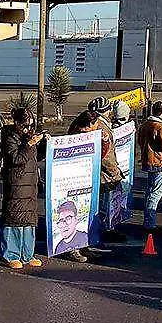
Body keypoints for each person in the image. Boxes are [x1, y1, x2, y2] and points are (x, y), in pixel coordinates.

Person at [0, 107, 45, 269]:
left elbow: (36, 156)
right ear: (17, 123)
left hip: (31, 182)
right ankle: (10, 254)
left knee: (29, 219)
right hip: (16, 182)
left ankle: (27, 254)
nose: (28, 129)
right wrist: (28, 144)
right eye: (25, 125)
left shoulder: (28, 137)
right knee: (15, 218)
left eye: (30, 125)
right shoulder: (9, 137)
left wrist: (43, 143)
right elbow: (15, 158)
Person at [56, 109, 103, 262]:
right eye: (95, 124)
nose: (97, 127)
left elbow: (99, 155)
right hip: (74, 180)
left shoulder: (91, 136)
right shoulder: (76, 137)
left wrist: (106, 141)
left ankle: (84, 245)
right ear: (89, 125)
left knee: (85, 214)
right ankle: (71, 249)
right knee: (72, 217)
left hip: (88, 177)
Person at [89, 96, 127, 244]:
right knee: (104, 205)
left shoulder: (94, 123)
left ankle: (102, 231)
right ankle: (103, 232)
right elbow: (107, 155)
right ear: (107, 110)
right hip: (104, 174)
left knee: (101, 204)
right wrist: (115, 172)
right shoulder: (101, 127)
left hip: (97, 171)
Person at [137, 100, 162, 232]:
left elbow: (140, 141)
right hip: (161, 162)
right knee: (155, 193)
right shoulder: (160, 127)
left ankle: (148, 220)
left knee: (150, 192)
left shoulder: (145, 124)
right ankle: (150, 223)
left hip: (149, 160)